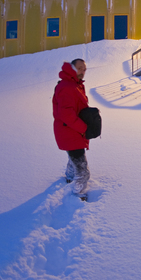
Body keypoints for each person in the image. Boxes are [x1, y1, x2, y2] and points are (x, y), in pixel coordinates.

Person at [52, 58, 90, 200]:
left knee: (74, 156)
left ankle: (69, 176)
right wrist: (84, 128)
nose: (82, 72)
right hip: (70, 131)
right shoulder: (68, 87)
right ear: (72, 68)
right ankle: (77, 195)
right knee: (83, 171)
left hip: (71, 130)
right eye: (80, 68)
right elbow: (66, 114)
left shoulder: (74, 84)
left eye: (84, 69)